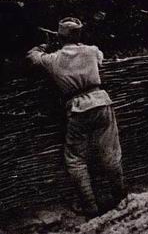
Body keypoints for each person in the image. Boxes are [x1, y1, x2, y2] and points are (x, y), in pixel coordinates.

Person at [26, 17, 126, 217]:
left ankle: (90, 207)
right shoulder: (92, 50)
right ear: (79, 35)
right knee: (111, 153)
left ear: (60, 37)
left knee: (76, 159)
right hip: (101, 102)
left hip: (77, 108)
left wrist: (45, 44)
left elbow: (32, 56)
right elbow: (100, 57)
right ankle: (121, 199)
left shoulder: (53, 59)